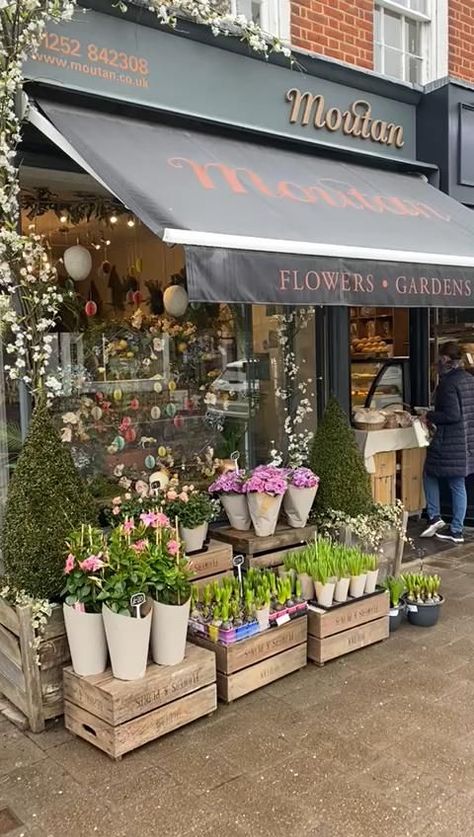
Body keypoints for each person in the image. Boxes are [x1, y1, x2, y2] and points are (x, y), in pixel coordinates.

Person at [421, 341, 474, 544]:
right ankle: (456, 529)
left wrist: (430, 415)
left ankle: (436, 518)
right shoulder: (469, 379)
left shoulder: (448, 383)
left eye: (439, 359)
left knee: (429, 473)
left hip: (448, 441)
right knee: (457, 483)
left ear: (445, 359)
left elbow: (452, 414)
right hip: (465, 440)